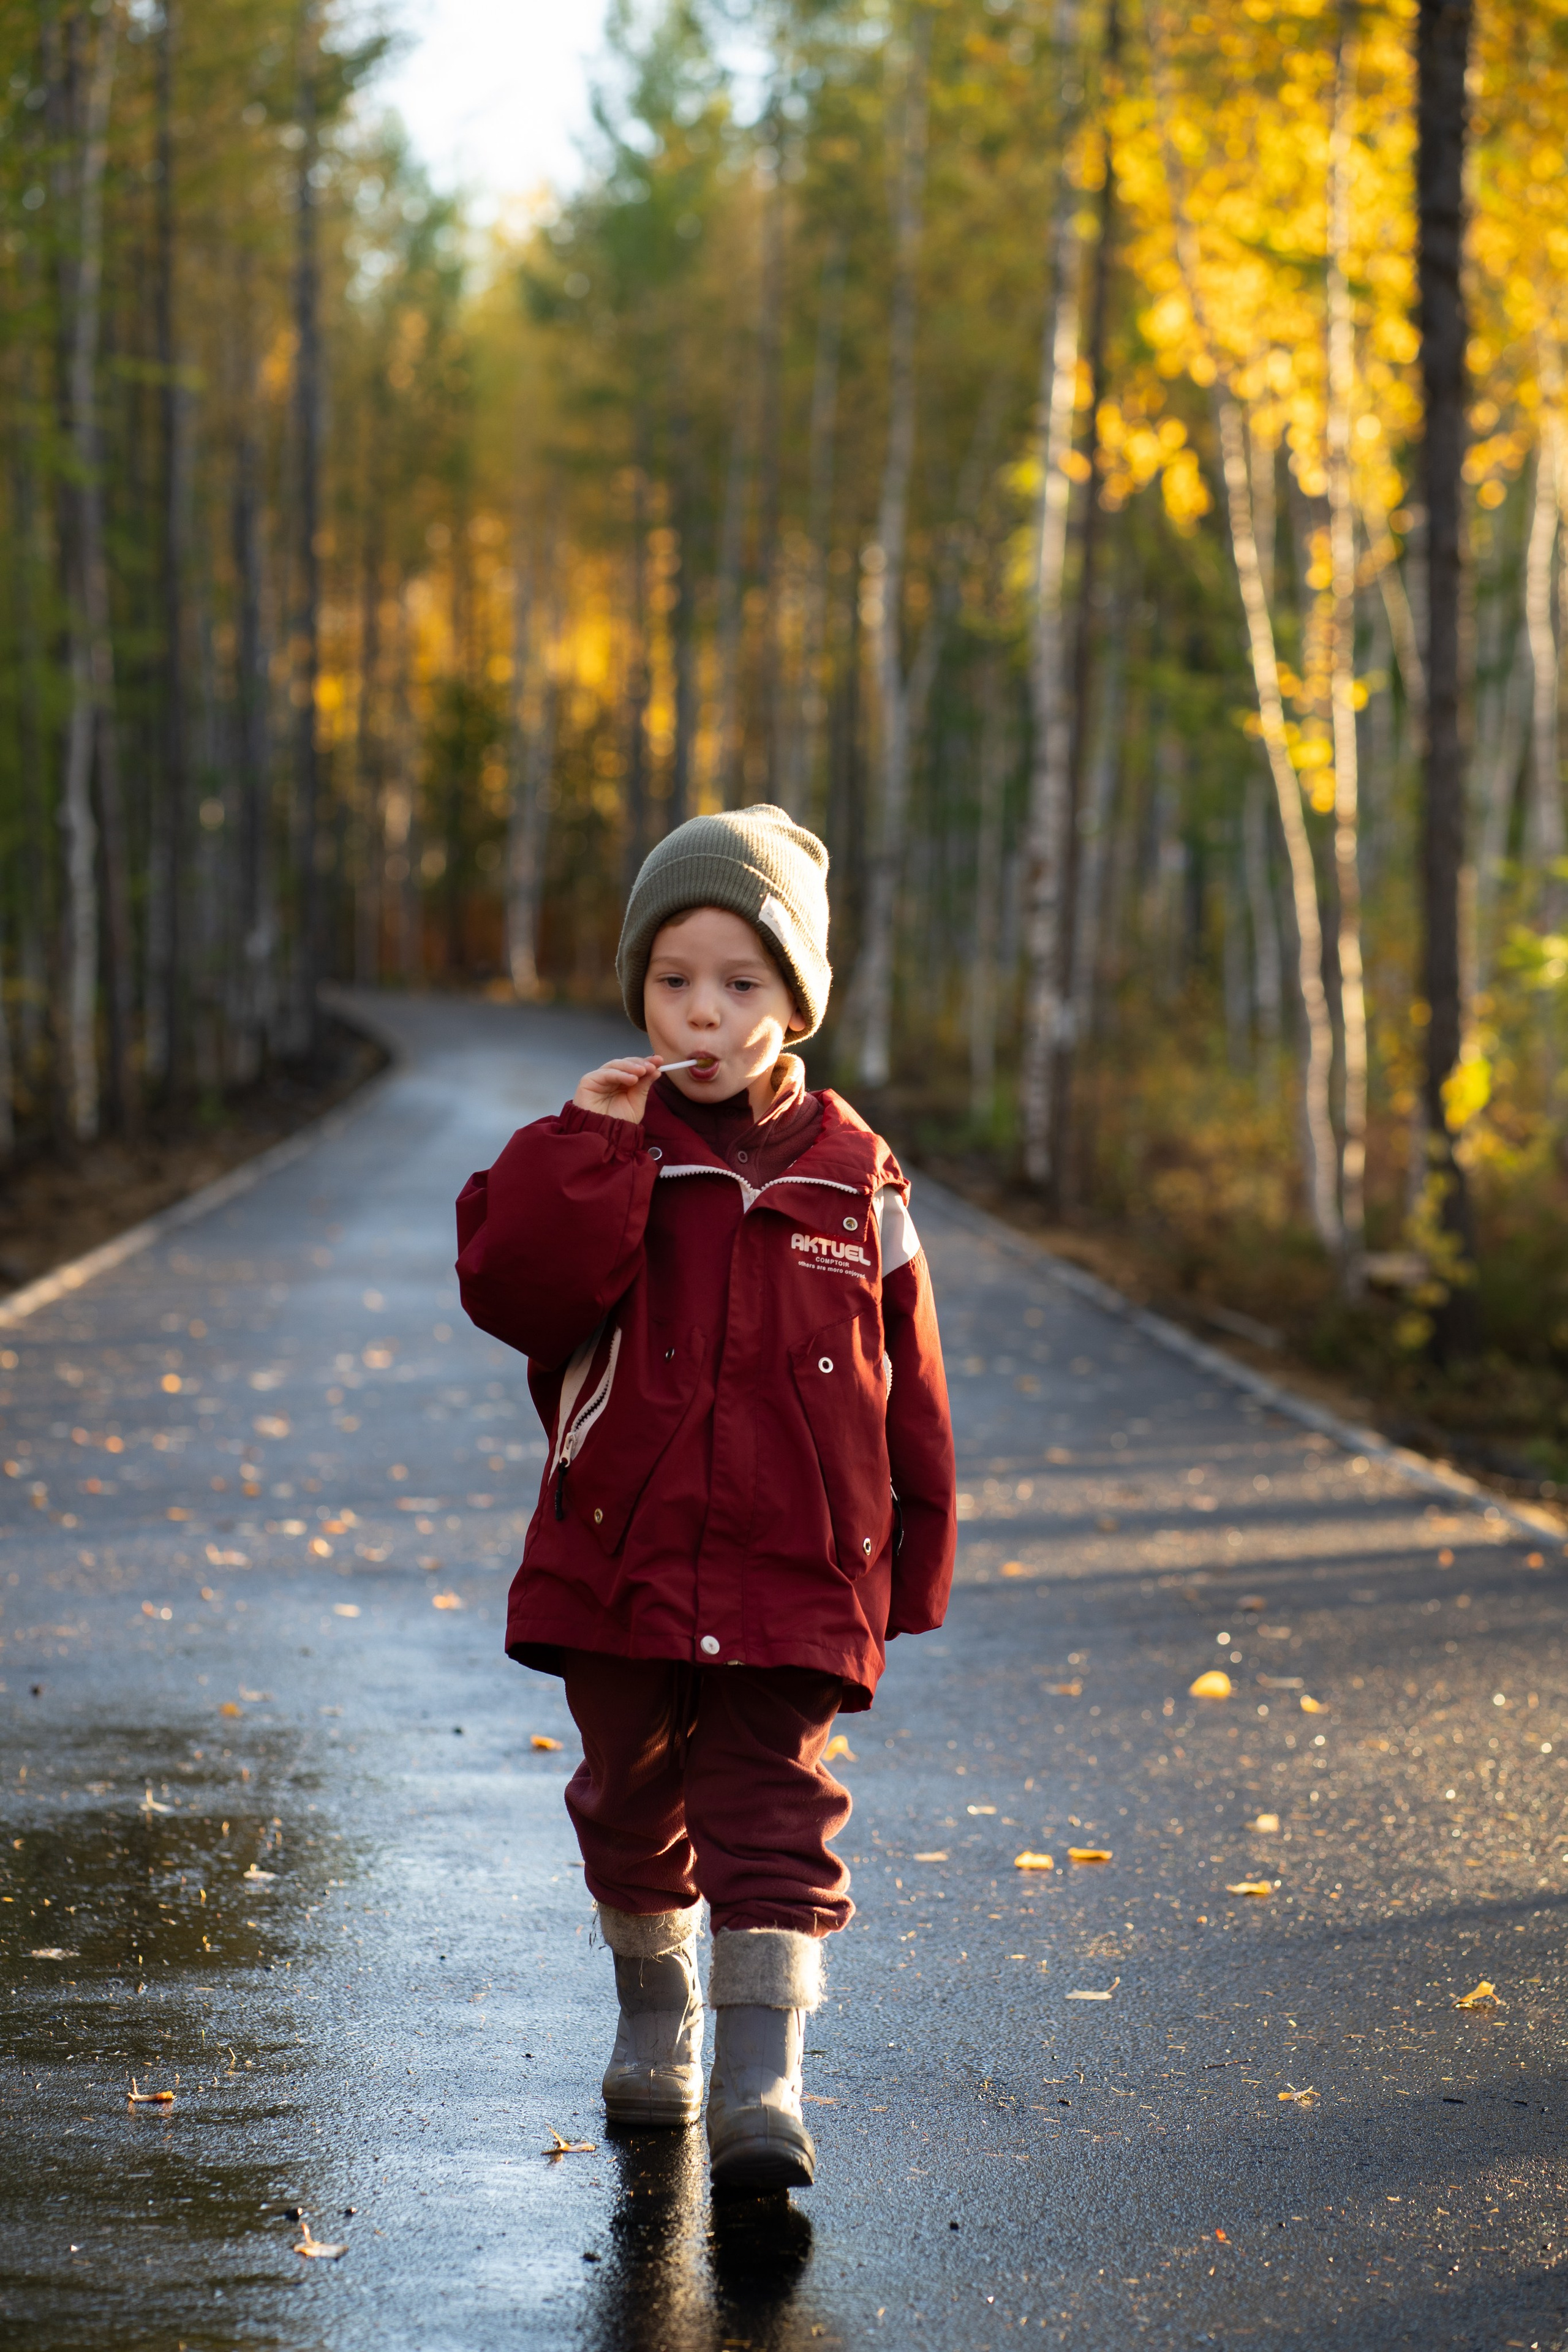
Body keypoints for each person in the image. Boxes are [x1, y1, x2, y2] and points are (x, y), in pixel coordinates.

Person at [455, 804, 956, 2192]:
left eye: (742, 984)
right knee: (630, 1792)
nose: (705, 1013)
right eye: (675, 980)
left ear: (794, 1005)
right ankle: (654, 2021)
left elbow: (907, 1383)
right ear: (639, 992)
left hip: (798, 1559)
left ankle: (760, 2084)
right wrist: (589, 1147)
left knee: (773, 1806)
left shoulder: (856, 1179)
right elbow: (515, 1292)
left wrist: (907, 1560)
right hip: (617, 1555)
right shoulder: (600, 1146)